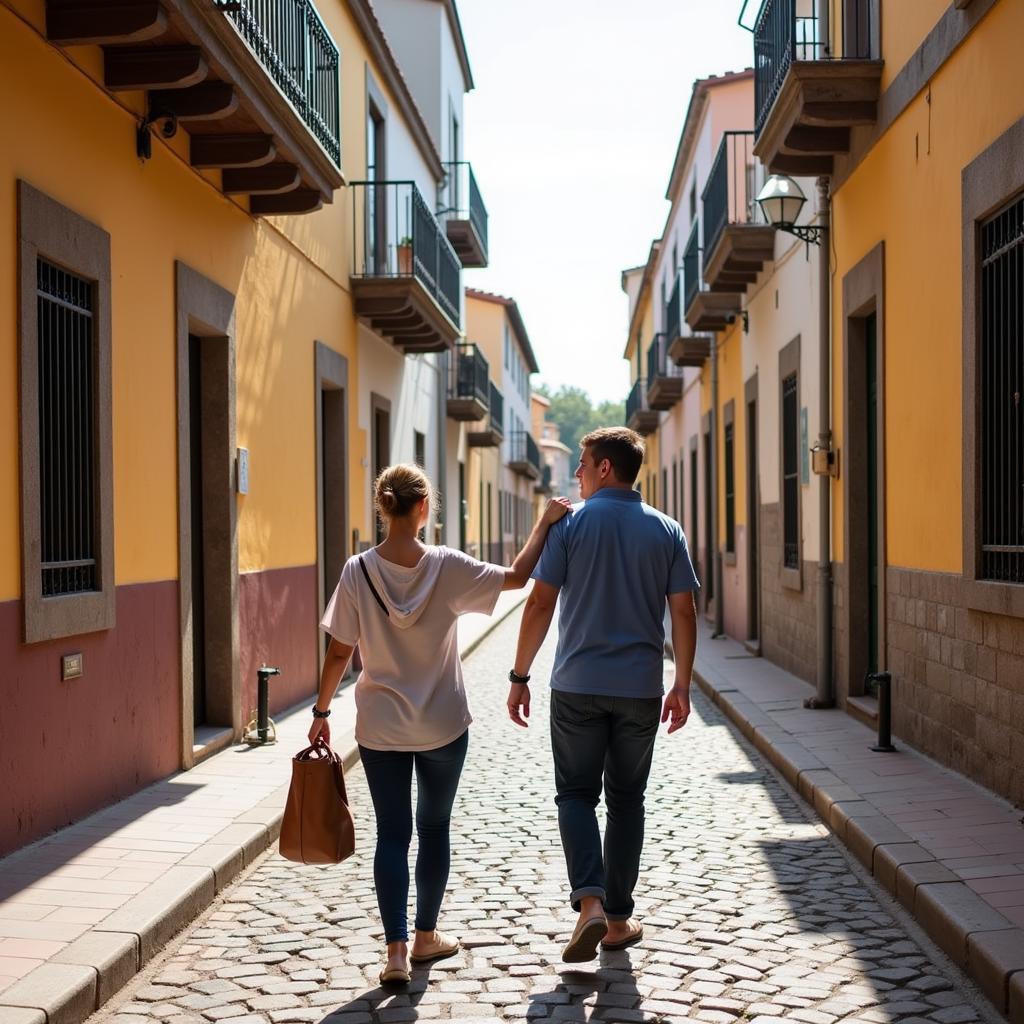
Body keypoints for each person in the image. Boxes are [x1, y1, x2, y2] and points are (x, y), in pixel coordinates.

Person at [309, 463, 572, 985]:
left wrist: (321, 712)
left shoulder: (356, 571)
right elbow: (518, 578)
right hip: (444, 725)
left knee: (391, 835)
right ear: (424, 509)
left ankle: (395, 954)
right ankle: (426, 935)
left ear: (384, 509)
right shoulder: (448, 567)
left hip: (380, 727)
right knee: (433, 829)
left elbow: (340, 650)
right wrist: (544, 523)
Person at [508, 427, 699, 963]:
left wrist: (519, 675)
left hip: (576, 687)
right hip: (640, 689)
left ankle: (589, 903)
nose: (577, 474)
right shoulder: (667, 530)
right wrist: (681, 683)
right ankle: (617, 921)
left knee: (574, 795)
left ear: (605, 468)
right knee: (627, 801)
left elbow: (540, 603)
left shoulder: (571, 526)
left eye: (584, 464)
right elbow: (682, 611)